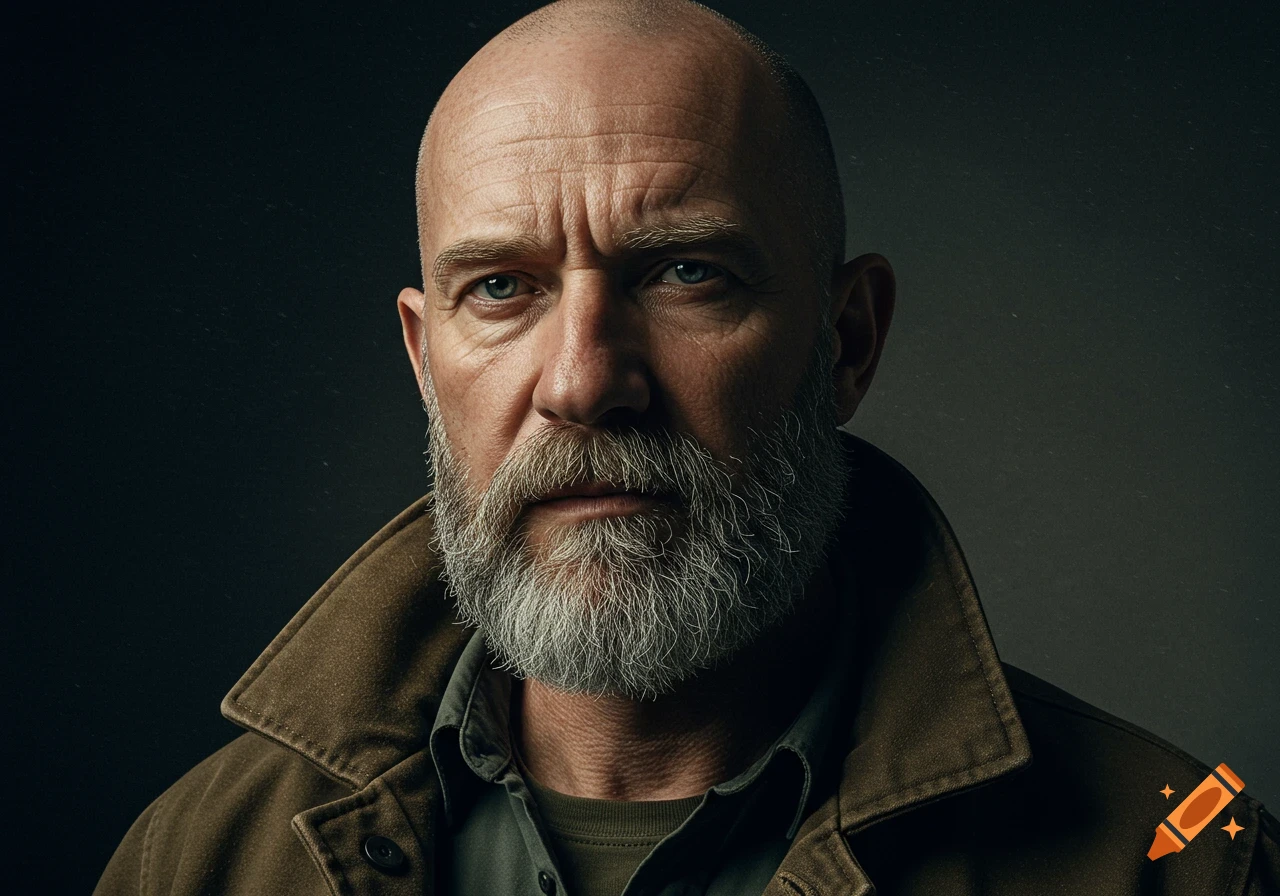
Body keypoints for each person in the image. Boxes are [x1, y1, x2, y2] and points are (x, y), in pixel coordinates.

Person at [95, 1, 1278, 894]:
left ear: (846, 338)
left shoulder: (1173, 858)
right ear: (422, 360)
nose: (582, 383)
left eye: (685, 273)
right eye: (501, 287)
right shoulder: (196, 860)